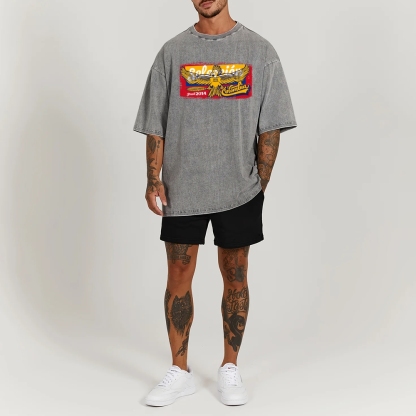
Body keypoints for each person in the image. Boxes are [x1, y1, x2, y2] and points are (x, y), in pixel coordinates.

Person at [133, 0, 297, 407]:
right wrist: (153, 177)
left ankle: (229, 367)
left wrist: (259, 183)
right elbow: (155, 123)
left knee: (235, 276)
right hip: (182, 187)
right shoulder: (173, 52)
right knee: (178, 276)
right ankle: (180, 371)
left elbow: (272, 125)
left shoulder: (260, 51)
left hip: (239, 189)